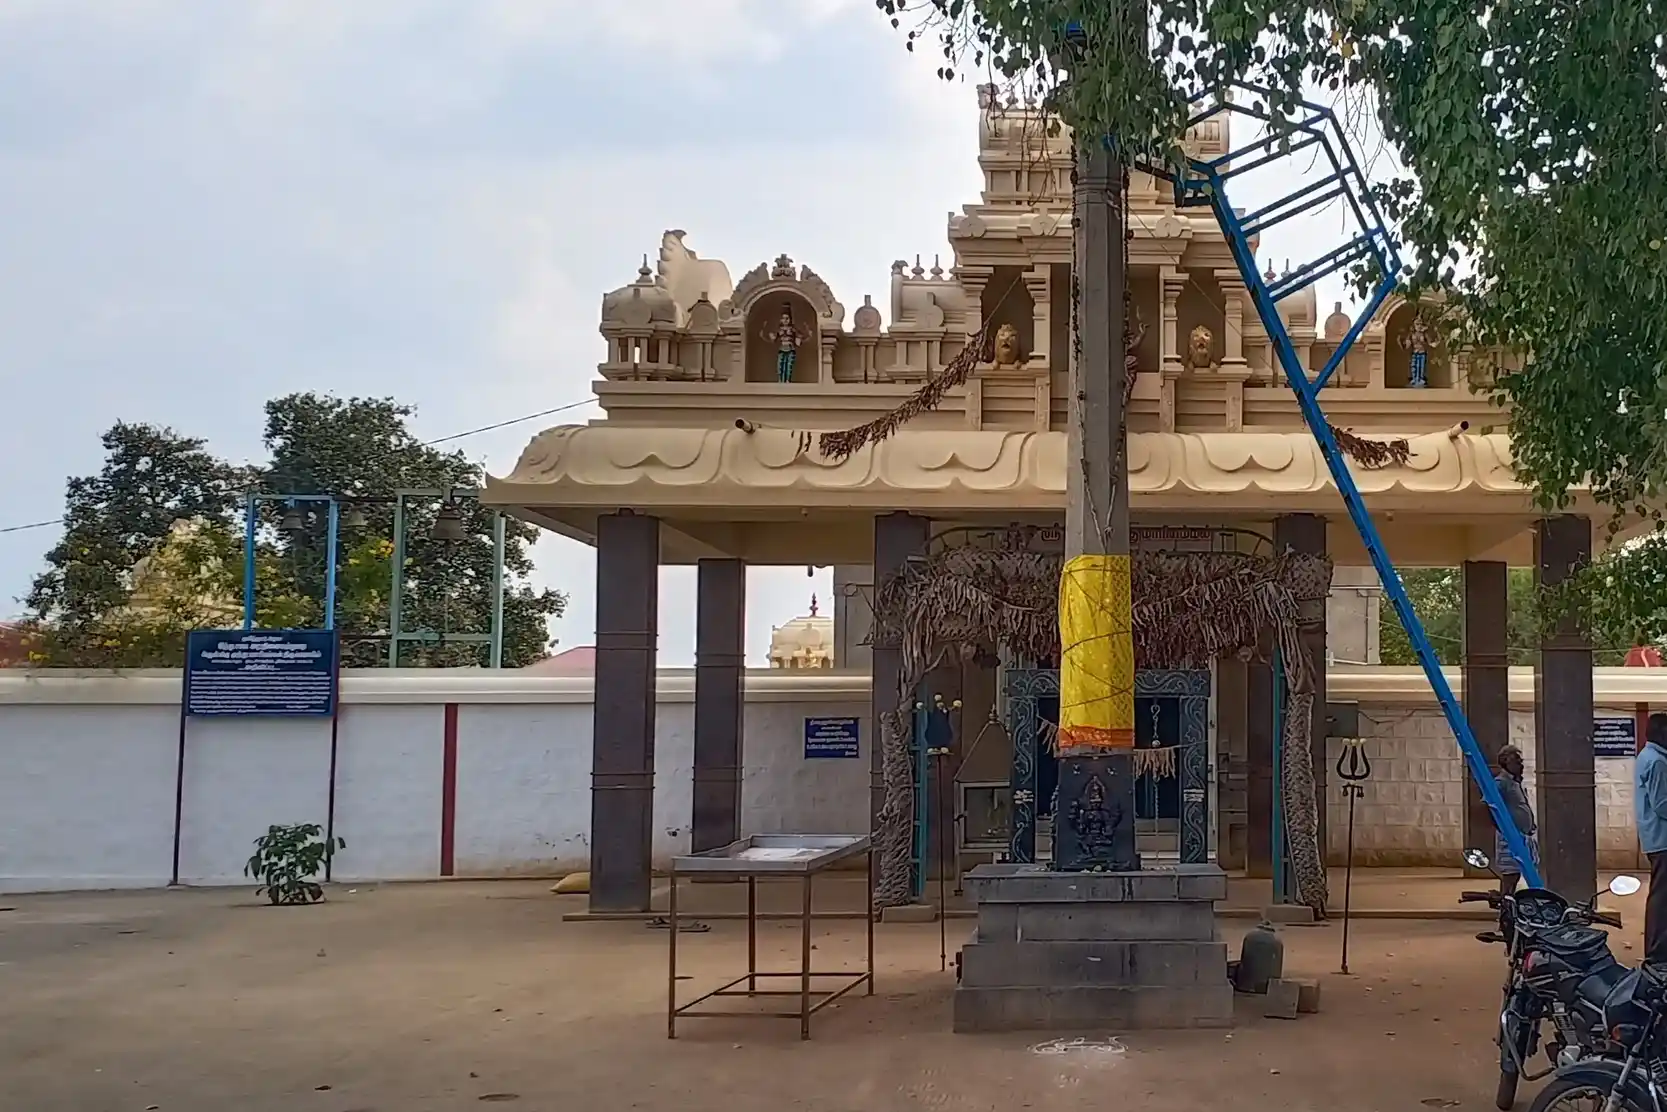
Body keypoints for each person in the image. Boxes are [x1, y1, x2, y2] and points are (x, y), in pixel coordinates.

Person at [1634, 713, 1667, 962]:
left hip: (1654, 838)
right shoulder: (1658, 761)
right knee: (1661, 896)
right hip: (1663, 838)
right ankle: (1657, 952)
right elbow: (1662, 804)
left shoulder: (1647, 756)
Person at [1493, 745, 1538, 895]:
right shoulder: (1501, 782)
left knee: (1521, 872)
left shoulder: (1515, 782)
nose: (1521, 765)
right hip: (1511, 837)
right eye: (1517, 761)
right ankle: (1506, 909)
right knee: (1510, 874)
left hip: (1524, 836)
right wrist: (1504, 828)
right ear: (1506, 762)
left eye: (1521, 761)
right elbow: (1489, 806)